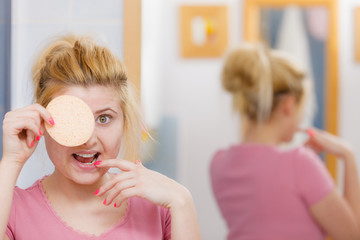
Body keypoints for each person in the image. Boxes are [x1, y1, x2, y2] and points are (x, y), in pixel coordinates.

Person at [0, 34, 201, 240]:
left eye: (104, 118)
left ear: (124, 122)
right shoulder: (12, 211)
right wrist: (11, 162)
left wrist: (182, 201)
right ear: (42, 121)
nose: (88, 139)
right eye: (71, 119)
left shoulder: (161, 209)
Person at [210, 43, 360, 240]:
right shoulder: (300, 163)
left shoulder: (219, 163)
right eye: (302, 110)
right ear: (289, 106)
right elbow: (351, 235)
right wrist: (347, 155)